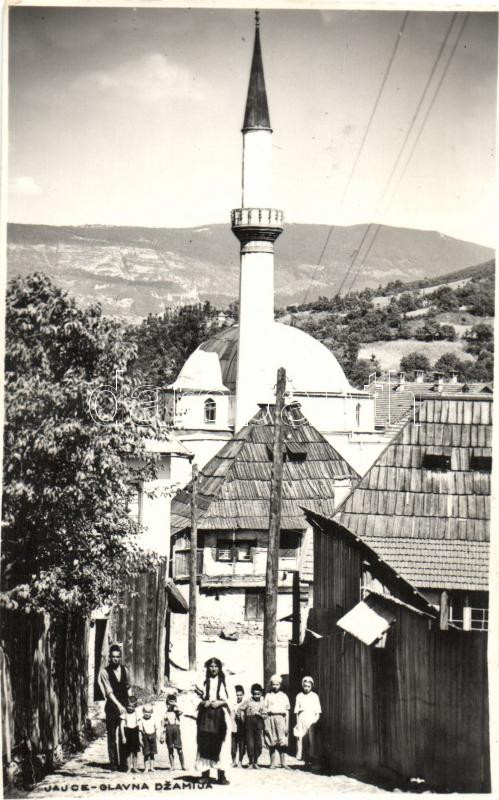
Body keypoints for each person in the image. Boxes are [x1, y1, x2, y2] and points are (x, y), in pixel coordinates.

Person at [195, 657, 231, 785]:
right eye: (211, 666)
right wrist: (203, 702)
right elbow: (195, 697)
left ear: (220, 668)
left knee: (222, 745)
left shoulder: (226, 681)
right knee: (204, 743)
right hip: (205, 716)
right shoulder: (203, 681)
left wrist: (220, 702)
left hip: (221, 716)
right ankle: (205, 775)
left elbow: (230, 698)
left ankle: (221, 776)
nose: (213, 669)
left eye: (216, 666)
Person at [98, 645, 131, 771]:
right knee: (112, 735)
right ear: (109, 658)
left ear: (120, 657)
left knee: (123, 734)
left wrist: (131, 703)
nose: (115, 659)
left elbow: (128, 687)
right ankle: (113, 763)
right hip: (112, 706)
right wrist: (119, 705)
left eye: (118, 657)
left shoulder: (125, 670)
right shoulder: (104, 672)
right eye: (113, 657)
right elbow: (108, 692)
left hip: (124, 706)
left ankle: (123, 763)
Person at [294, 676, 322, 769]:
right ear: (302, 685)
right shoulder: (299, 696)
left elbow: (318, 712)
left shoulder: (315, 696)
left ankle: (313, 761)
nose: (306, 688)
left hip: (312, 721)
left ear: (312, 686)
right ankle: (305, 761)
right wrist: (297, 723)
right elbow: (297, 712)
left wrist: (315, 721)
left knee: (312, 741)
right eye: (305, 686)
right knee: (302, 740)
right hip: (301, 720)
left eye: (308, 686)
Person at [264, 674, 290, 769]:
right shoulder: (268, 696)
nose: (275, 686)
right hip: (270, 718)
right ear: (271, 684)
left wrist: (287, 725)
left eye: (277, 684)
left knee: (282, 741)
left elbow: (287, 712)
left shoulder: (284, 696)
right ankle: (272, 763)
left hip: (281, 719)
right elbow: (265, 711)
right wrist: (266, 724)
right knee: (271, 740)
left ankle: (283, 763)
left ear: (280, 685)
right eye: (273, 684)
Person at [241, 683, 266, 769]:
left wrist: (260, 714)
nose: (256, 696)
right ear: (252, 693)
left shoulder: (263, 702)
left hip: (258, 724)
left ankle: (256, 761)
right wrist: (242, 718)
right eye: (254, 694)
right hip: (249, 725)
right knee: (250, 744)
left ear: (261, 693)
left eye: (258, 694)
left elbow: (265, 715)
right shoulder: (248, 701)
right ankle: (251, 762)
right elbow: (240, 709)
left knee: (258, 744)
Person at [160, 694, 185, 770]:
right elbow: (162, 726)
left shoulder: (176, 712)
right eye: (168, 704)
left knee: (179, 749)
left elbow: (181, 711)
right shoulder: (165, 714)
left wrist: (175, 705)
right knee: (170, 749)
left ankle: (183, 765)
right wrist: (162, 736)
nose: (169, 706)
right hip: (168, 731)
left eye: (171, 704)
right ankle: (172, 766)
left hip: (176, 730)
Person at [120, 695, 140, 773]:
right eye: (129, 706)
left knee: (135, 751)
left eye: (132, 706)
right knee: (128, 752)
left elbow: (139, 724)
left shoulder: (137, 714)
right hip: (127, 732)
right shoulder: (124, 714)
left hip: (135, 732)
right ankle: (129, 767)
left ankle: (135, 767)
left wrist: (140, 736)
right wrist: (123, 737)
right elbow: (121, 726)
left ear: (135, 706)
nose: (130, 708)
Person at [139, 704, 158, 773]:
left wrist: (159, 737)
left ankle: (152, 767)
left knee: (152, 753)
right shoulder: (141, 720)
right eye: (145, 712)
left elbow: (156, 729)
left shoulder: (153, 719)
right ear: (143, 712)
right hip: (145, 737)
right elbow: (140, 731)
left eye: (149, 712)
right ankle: (146, 768)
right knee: (146, 753)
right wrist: (140, 739)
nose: (147, 714)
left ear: (151, 712)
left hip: (152, 736)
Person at [231, 685, 246, 768]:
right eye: (237, 695)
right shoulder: (233, 704)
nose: (239, 696)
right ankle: (233, 761)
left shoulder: (245, 703)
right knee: (233, 746)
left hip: (242, 727)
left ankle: (240, 761)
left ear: (243, 694)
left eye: (240, 695)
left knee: (242, 745)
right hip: (234, 727)